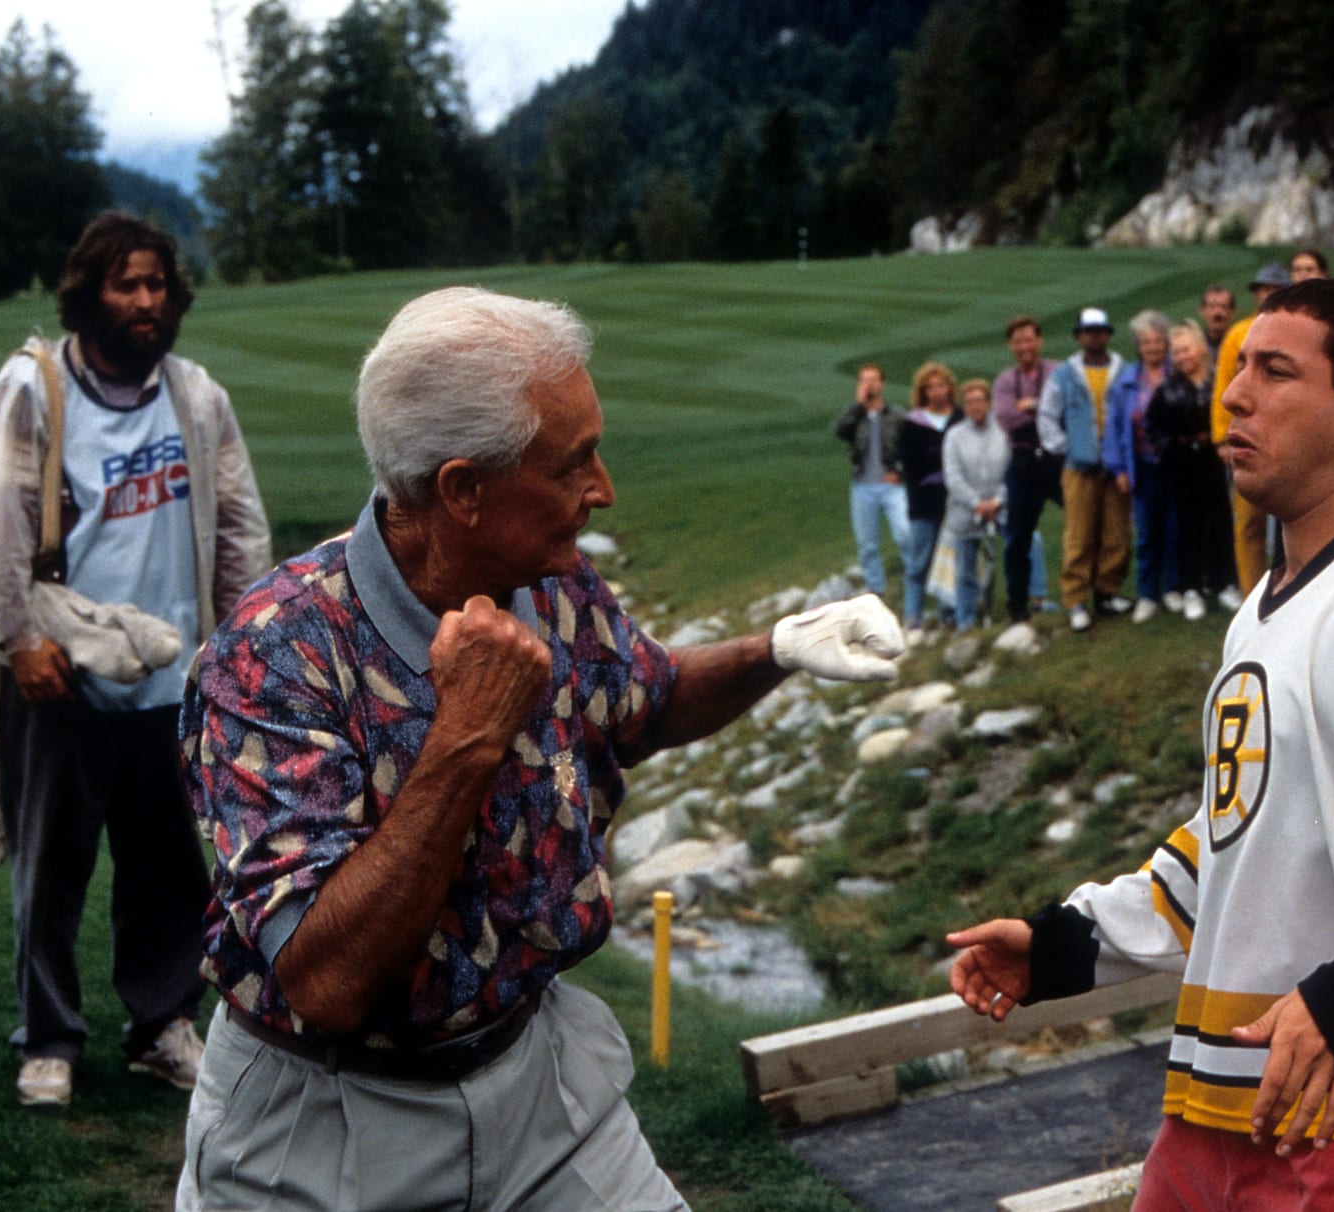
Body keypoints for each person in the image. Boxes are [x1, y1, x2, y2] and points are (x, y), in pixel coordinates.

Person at [176, 287, 907, 1212]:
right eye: (574, 464)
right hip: (325, 1131)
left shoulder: (546, 582)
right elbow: (326, 980)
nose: (603, 490)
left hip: (538, 1083)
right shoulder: (274, 653)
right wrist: (469, 734)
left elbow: (649, 697)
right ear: (463, 490)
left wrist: (777, 651)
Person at [948, 278, 1334, 1212]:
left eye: (1275, 371)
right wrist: (1068, 943)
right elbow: (1238, 837)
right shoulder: (1259, 609)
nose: (1235, 394)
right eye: (1239, 365)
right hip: (1214, 1107)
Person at [0, 212, 273, 1109]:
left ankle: (160, 1024)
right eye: (124, 284)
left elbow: (240, 529)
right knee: (50, 872)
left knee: (168, 868)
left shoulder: (196, 396)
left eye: (156, 285)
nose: (145, 301)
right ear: (87, 293)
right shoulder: (36, 390)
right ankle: (49, 1041)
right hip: (60, 675)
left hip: (172, 680)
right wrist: (19, 641)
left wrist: (243, 642)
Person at [1039, 307, 1133, 632]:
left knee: (1117, 533)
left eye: (1100, 331)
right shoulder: (1064, 374)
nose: (1094, 337)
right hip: (1079, 467)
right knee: (1079, 535)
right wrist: (1067, 448)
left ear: (1107, 334)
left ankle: (1107, 592)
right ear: (1079, 336)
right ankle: (1076, 599)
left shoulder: (1123, 370)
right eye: (1088, 332)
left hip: (1116, 465)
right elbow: (1047, 415)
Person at [1213, 263, 1293, 596]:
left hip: (1286, 437)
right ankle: (1251, 595)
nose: (1268, 295)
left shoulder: (1296, 333)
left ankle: (1289, 591)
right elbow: (1223, 387)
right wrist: (1221, 436)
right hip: (1248, 436)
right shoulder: (1239, 333)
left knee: (1293, 520)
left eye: (1276, 289)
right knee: (1248, 523)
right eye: (1264, 289)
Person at [1147, 322, 1233, 621]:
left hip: (1214, 459)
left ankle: (1223, 582)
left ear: (1199, 348)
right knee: (1188, 527)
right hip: (1183, 464)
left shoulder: (1215, 381)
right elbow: (1153, 427)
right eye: (1177, 352)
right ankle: (1192, 588)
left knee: (1221, 521)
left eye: (1186, 349)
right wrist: (1171, 448)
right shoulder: (1168, 388)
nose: (1182, 357)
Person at [1103, 310, 1173, 622]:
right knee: (1146, 533)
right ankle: (1146, 594)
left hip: (1174, 465)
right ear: (1138, 345)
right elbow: (1115, 429)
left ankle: (1172, 588)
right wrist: (1118, 469)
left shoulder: (1175, 375)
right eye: (1146, 342)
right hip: (1142, 466)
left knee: (1174, 529)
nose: (1153, 347)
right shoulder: (1127, 382)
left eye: (1158, 341)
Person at [994, 314, 1063, 622]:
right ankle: (1018, 605)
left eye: (1029, 339)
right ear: (1011, 345)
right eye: (1018, 341)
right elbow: (1007, 417)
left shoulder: (1057, 371)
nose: (1024, 346)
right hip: (1022, 461)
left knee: (1084, 522)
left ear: (1040, 340)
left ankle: (1089, 595)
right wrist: (1042, 408)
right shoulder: (1007, 381)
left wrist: (1031, 406)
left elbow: (1063, 410)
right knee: (1018, 536)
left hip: (1056, 458)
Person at [833, 363, 910, 599]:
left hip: (892, 486)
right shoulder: (855, 416)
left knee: (905, 532)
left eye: (874, 380)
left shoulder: (896, 415)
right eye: (865, 380)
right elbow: (839, 431)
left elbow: (912, 447)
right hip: (863, 485)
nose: (870, 385)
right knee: (867, 544)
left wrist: (900, 470)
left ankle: (915, 579)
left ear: (882, 383)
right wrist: (858, 406)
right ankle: (876, 590)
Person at [942, 379, 1011, 630]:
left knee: (1027, 544)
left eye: (979, 400)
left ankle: (1027, 604)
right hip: (966, 511)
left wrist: (998, 500)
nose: (975, 406)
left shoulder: (1004, 431)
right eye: (969, 402)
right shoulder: (954, 436)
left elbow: (1012, 470)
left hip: (1001, 507)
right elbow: (953, 476)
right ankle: (966, 619)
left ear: (988, 402)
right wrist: (976, 503)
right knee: (965, 569)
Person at [900, 361, 959, 636]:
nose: (937, 392)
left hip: (956, 500)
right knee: (919, 560)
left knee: (951, 559)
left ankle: (949, 611)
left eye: (941, 386)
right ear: (923, 392)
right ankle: (913, 614)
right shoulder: (913, 424)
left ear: (949, 388)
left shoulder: (959, 418)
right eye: (930, 387)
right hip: (925, 501)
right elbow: (911, 466)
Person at [1199, 285, 1236, 362]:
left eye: (1223, 306)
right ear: (1202, 310)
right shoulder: (1195, 347)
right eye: (1212, 306)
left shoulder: (1240, 342)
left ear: (1232, 311)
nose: (1217, 312)